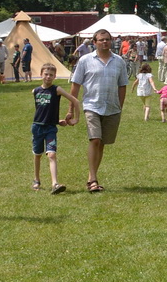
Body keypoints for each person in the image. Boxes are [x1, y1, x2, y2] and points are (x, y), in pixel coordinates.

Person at [70, 28, 129, 193]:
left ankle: (91, 177)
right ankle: (94, 179)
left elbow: (122, 85)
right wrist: (70, 109)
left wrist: (120, 106)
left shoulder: (119, 61)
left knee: (102, 143)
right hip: (91, 106)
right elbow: (75, 85)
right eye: (101, 40)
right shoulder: (85, 61)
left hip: (112, 107)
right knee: (94, 139)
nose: (105, 42)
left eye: (107, 39)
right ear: (94, 43)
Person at [30, 62, 80, 194]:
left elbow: (75, 100)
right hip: (37, 127)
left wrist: (76, 118)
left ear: (55, 76)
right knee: (37, 155)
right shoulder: (35, 91)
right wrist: (57, 120)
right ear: (41, 75)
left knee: (51, 154)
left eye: (51, 75)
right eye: (46, 74)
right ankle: (36, 179)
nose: (48, 77)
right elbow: (42, 111)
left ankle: (55, 183)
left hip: (50, 129)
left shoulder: (56, 90)